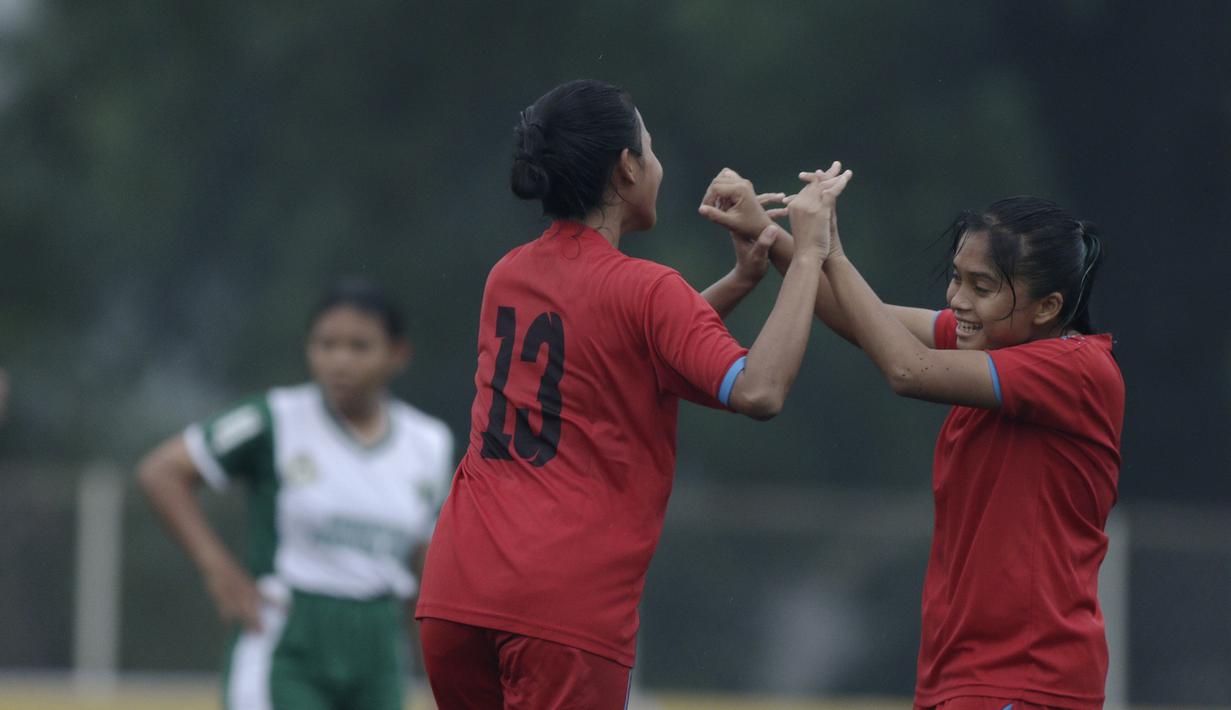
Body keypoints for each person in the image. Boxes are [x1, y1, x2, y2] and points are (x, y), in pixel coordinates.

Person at [414, 78, 851, 709]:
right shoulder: (647, 287)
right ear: (626, 168)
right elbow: (760, 390)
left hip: (457, 593)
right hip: (561, 608)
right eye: (649, 148)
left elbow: (618, 354)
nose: (658, 165)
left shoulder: (508, 274)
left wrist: (737, 282)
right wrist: (807, 253)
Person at [710, 168, 1124, 710]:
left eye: (983, 287)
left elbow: (910, 370)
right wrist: (770, 231)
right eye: (957, 277)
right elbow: (862, 320)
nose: (958, 299)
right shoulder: (992, 343)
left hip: (1026, 679)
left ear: (1047, 308)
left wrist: (826, 250)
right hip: (962, 676)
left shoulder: (1076, 368)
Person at [138, 279, 453, 710]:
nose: (339, 360)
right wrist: (218, 569)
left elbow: (426, 561)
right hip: (289, 635)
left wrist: (442, 662)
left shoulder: (429, 442)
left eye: (359, 346)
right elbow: (161, 472)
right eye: (326, 344)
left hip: (378, 643)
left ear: (398, 354)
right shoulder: (274, 419)